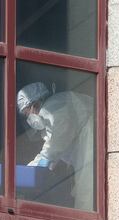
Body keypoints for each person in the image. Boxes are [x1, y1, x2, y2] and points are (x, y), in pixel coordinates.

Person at [17, 82, 94, 211]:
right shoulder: (53, 111)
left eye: (27, 114)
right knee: (85, 192)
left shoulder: (53, 108)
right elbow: (54, 152)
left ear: (34, 105)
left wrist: (29, 172)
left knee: (87, 194)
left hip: (92, 145)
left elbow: (53, 148)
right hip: (87, 149)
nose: (29, 119)